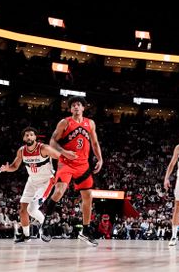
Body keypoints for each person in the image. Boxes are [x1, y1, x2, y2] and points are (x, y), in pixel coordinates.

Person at [40, 96, 103, 246]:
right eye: (73, 105)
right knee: (60, 190)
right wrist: (64, 152)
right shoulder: (65, 122)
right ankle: (46, 223)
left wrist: (100, 159)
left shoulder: (90, 123)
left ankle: (85, 231)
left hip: (83, 165)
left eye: (78, 105)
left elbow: (94, 142)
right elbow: (52, 141)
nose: (76, 107)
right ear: (70, 109)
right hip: (66, 163)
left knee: (88, 196)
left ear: (83, 108)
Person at [0, 126, 74, 243]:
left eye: (31, 134)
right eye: (26, 135)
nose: (29, 136)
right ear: (24, 138)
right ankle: (26, 236)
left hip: (46, 181)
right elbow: (14, 166)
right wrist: (8, 169)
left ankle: (46, 226)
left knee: (32, 209)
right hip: (32, 181)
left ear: (35, 137)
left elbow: (61, 158)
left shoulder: (44, 148)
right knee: (23, 210)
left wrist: (63, 172)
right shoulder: (22, 151)